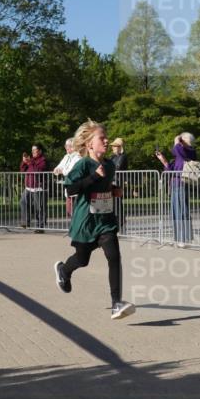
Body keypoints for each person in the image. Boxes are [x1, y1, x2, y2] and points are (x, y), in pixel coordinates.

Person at [53, 121, 136, 320]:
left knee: (114, 257)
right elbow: (70, 189)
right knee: (82, 260)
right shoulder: (82, 164)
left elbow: (105, 186)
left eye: (106, 137)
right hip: (86, 221)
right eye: (102, 138)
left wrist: (113, 191)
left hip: (105, 220)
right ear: (90, 144)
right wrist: (92, 178)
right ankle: (63, 269)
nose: (106, 141)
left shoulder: (109, 164)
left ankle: (116, 303)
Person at [155, 133, 196, 247]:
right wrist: (163, 161)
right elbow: (170, 170)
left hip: (182, 184)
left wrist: (177, 141)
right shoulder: (180, 155)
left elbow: (176, 150)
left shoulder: (190, 151)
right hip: (175, 185)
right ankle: (178, 238)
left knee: (182, 211)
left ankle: (184, 238)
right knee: (175, 212)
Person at [19, 143, 48, 231]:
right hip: (28, 187)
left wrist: (29, 162)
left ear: (39, 151)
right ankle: (25, 222)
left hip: (38, 188)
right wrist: (24, 162)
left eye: (34, 150)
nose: (32, 152)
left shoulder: (43, 160)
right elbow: (22, 170)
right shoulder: (31, 160)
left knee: (39, 207)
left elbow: (38, 170)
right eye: (32, 150)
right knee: (23, 202)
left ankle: (40, 226)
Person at [54, 138, 81, 217]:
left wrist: (62, 171)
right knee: (70, 211)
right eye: (66, 146)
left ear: (74, 146)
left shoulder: (77, 157)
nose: (67, 148)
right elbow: (57, 168)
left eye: (69, 146)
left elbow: (70, 171)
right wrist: (59, 170)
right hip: (69, 187)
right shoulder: (66, 157)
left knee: (76, 212)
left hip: (76, 187)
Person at [109, 138, 128, 233]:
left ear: (120, 147)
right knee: (112, 205)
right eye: (113, 146)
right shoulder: (112, 157)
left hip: (118, 183)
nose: (113, 147)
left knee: (118, 205)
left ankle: (122, 226)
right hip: (111, 182)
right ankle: (115, 225)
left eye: (115, 146)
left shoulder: (123, 157)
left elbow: (118, 167)